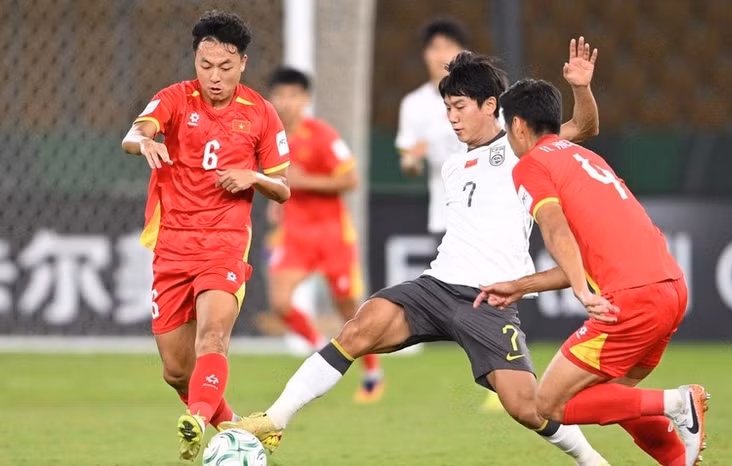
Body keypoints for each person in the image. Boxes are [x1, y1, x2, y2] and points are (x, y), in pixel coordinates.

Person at [224, 41, 609, 465]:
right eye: (448, 108)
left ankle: (591, 460)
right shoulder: (453, 165)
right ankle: (274, 419)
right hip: (436, 286)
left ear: (490, 105)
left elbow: (583, 127)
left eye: (460, 107)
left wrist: (581, 88)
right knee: (357, 329)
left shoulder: (523, 149)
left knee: (526, 407)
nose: (452, 117)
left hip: (490, 298)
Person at [475, 78, 709, 465]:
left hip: (631, 299)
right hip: (670, 291)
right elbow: (586, 257)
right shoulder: (587, 158)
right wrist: (521, 285)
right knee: (612, 397)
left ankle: (678, 402)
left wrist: (582, 293)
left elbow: (555, 229)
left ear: (517, 124)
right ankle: (678, 459)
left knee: (549, 403)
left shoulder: (531, 165)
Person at [120, 11, 291, 461]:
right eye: (205, 65)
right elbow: (134, 133)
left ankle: (196, 421)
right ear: (195, 60)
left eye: (225, 66)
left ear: (243, 63)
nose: (214, 77)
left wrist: (253, 176)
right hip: (173, 245)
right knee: (176, 371)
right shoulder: (175, 99)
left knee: (213, 337)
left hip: (225, 242)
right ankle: (237, 429)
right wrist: (146, 141)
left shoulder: (261, 113)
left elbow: (282, 188)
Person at [259, 66, 383, 403]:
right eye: (280, 95)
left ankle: (372, 372)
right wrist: (276, 202)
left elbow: (351, 179)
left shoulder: (323, 135)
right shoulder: (269, 139)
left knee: (349, 309)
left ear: (306, 99)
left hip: (332, 235)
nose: (286, 102)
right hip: (295, 235)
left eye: (293, 95)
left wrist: (305, 181)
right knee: (280, 301)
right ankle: (319, 349)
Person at [396, 18, 468, 235]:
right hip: (445, 212)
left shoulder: (485, 96)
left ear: (463, 52)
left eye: (448, 47)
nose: (441, 55)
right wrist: (413, 159)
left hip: (489, 209)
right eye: (435, 48)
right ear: (425, 54)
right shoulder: (414, 104)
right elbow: (409, 163)